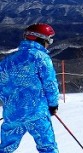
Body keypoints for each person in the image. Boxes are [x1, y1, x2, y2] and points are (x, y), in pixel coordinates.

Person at [0, 23, 60, 153]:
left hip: (13, 113)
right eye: (49, 39)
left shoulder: (7, 60)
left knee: (6, 148)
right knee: (47, 146)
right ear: (41, 39)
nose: (49, 43)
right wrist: (53, 104)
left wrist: (10, 104)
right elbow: (50, 84)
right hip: (37, 112)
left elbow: (2, 85)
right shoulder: (42, 58)